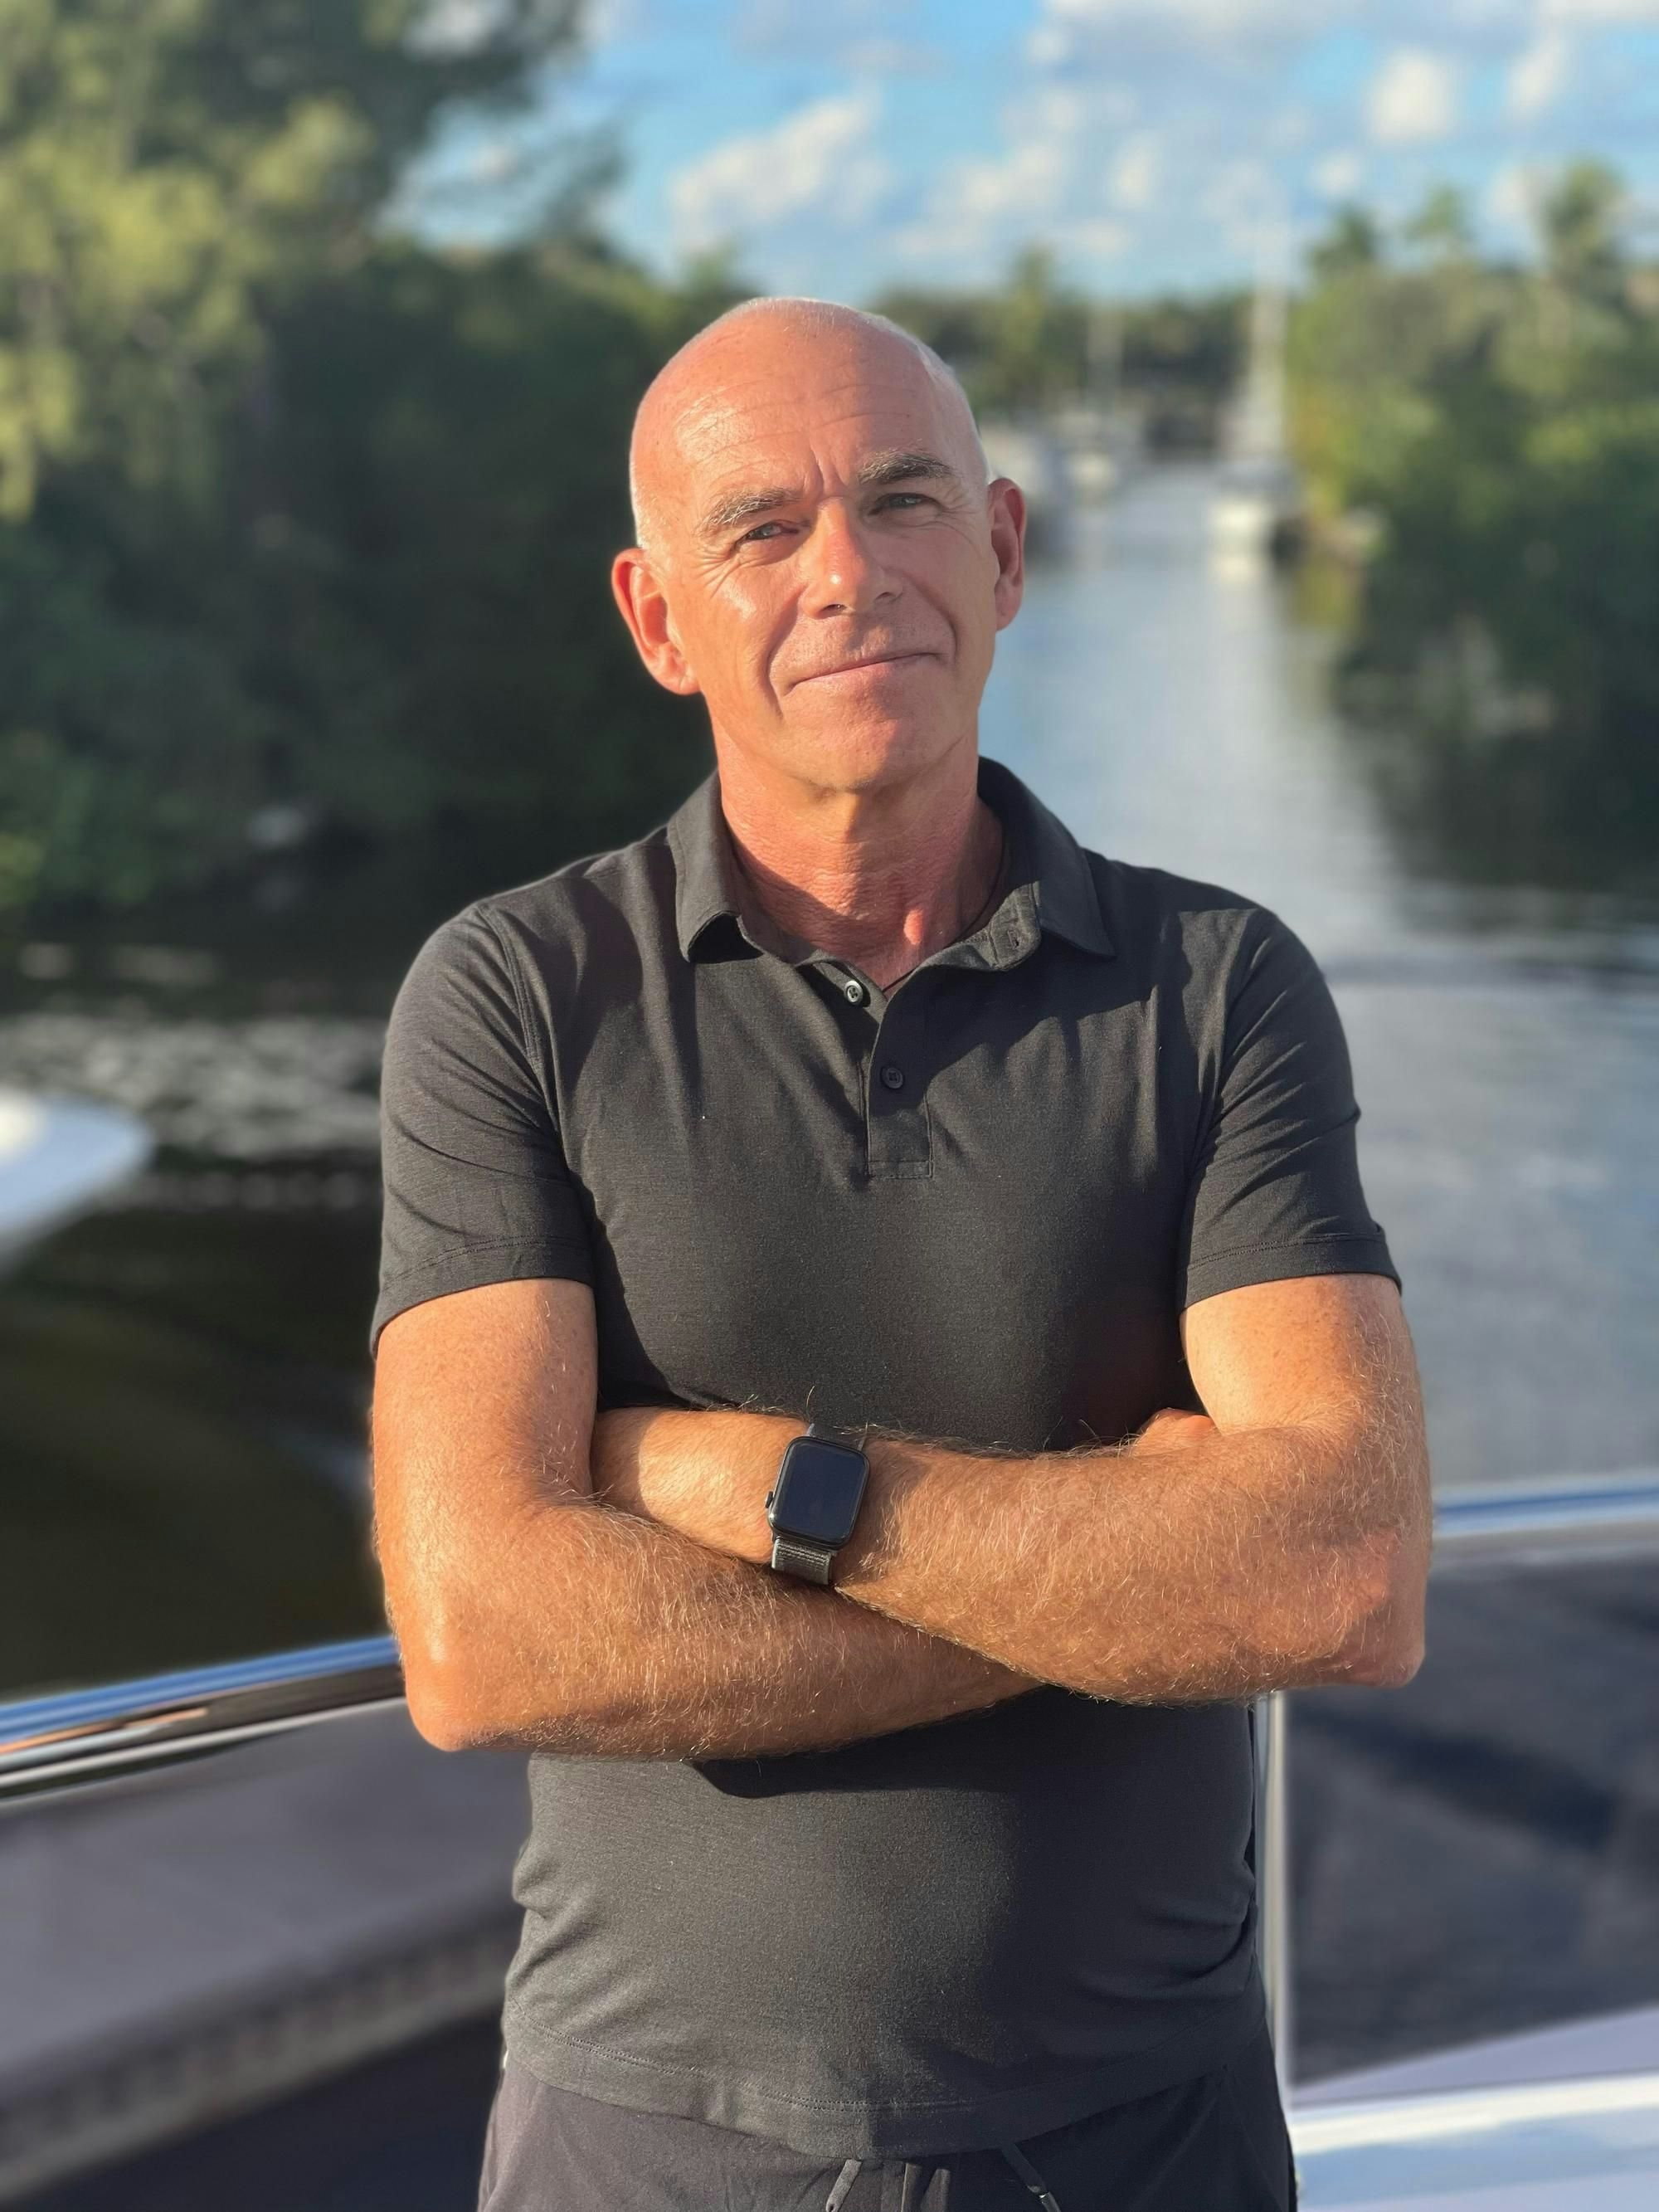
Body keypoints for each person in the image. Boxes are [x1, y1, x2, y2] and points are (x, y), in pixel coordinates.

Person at [368, 296, 1431, 2211]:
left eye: (904, 500)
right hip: (645, 2153)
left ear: (1003, 550)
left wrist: (749, 1487)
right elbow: (476, 1635)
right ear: (658, 618)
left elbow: (1337, 1570)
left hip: (1146, 2148)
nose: (849, 572)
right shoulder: (516, 996)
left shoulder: (1214, 987)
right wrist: (1128, 1574)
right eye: (762, 529)